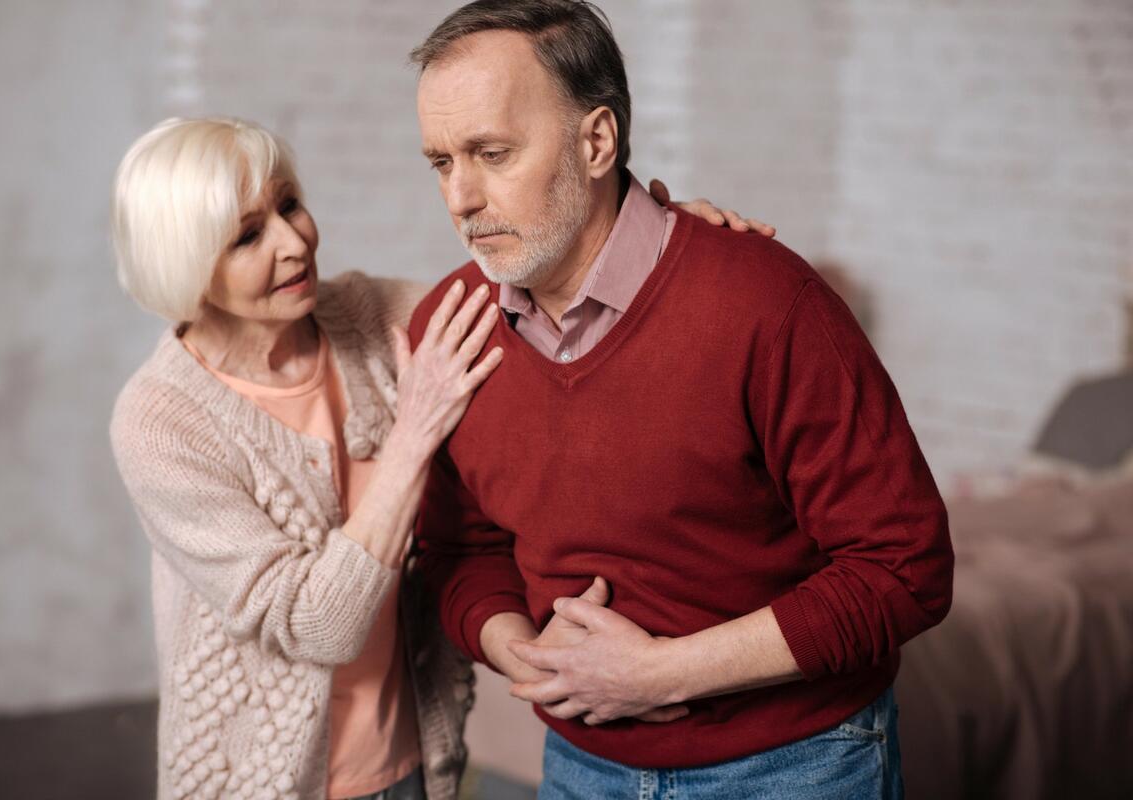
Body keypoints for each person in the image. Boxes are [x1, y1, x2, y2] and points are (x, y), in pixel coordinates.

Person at [108, 116, 766, 800]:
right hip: (259, 785)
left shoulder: (368, 316)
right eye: (248, 236)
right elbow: (316, 624)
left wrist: (655, 244)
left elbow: (537, 293)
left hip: (412, 762)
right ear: (182, 263)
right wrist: (415, 429)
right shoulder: (160, 422)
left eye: (289, 205)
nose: (293, 242)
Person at [406, 3, 955, 799]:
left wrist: (660, 673)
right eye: (440, 162)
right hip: (579, 764)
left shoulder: (765, 302)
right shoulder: (449, 326)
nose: (460, 196)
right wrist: (526, 652)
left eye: (492, 154)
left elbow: (904, 568)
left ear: (597, 142)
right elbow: (461, 552)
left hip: (796, 763)